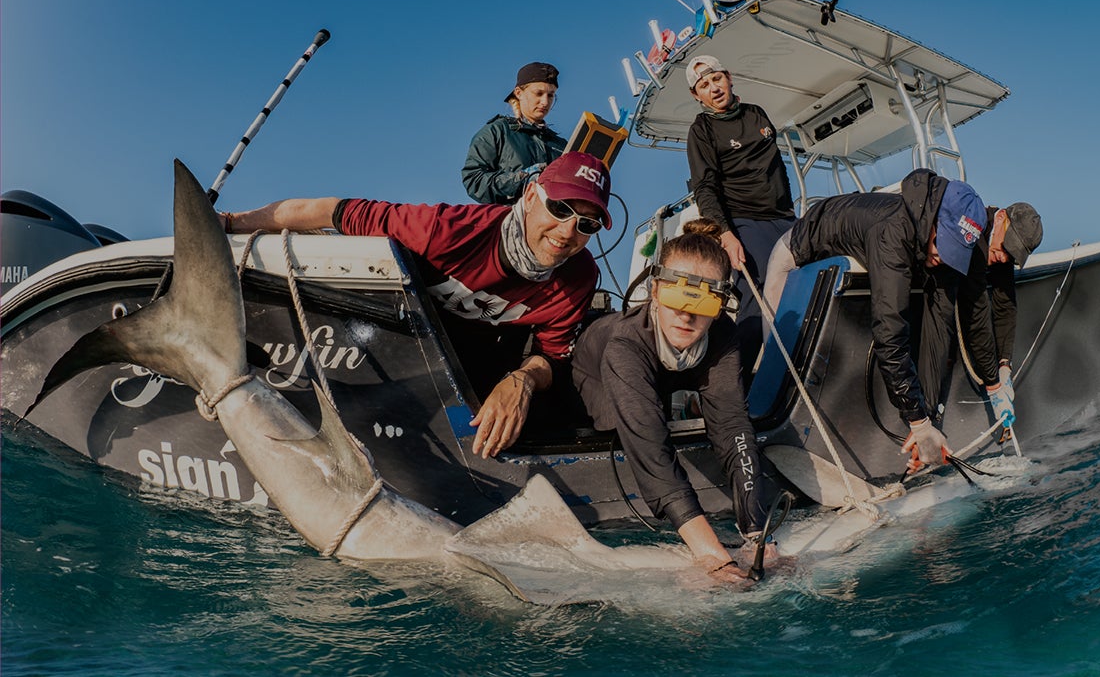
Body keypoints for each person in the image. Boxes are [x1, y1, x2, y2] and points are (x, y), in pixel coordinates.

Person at [219, 152, 611, 457]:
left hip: (486, 364)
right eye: (560, 209)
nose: (567, 231)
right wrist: (230, 222)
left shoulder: (578, 277)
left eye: (587, 224)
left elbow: (552, 354)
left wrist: (521, 380)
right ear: (530, 196)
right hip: (406, 343)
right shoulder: (443, 229)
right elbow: (329, 211)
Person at [761, 168, 1014, 473]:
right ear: (933, 221)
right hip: (796, 254)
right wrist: (917, 422)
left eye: (954, 252)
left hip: (851, 254)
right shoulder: (893, 231)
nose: (942, 257)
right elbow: (890, 334)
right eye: (942, 246)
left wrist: (928, 418)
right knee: (775, 366)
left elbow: (939, 331)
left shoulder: (942, 248)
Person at [572, 219, 777, 585]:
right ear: (655, 291)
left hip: (672, 370)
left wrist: (756, 533)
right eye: (677, 296)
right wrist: (712, 556)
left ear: (719, 305)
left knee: (714, 416)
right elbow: (650, 448)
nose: (686, 314)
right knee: (625, 426)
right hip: (596, 371)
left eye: (703, 301)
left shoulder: (722, 335)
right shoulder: (624, 346)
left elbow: (733, 428)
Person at [684, 54, 797, 373]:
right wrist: (726, 234)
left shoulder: (756, 114)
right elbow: (704, 187)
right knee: (758, 298)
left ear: (729, 77)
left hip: (784, 217)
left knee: (803, 285)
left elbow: (777, 167)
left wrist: (791, 210)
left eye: (716, 79)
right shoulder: (702, 129)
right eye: (703, 85)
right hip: (744, 221)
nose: (713, 88)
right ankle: (741, 388)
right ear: (697, 96)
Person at [918, 202, 1044, 432]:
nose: (1005, 258)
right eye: (1008, 247)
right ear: (1000, 218)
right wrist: (994, 386)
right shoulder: (974, 235)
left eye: (1013, 254)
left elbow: (1005, 305)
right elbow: (977, 319)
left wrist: (1005, 364)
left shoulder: (1000, 251)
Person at [462, 62, 567, 205]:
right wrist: (522, 178)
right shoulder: (497, 131)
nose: (545, 101)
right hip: (510, 221)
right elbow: (474, 181)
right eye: (538, 93)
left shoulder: (562, 146)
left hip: (553, 224)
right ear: (519, 93)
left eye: (550, 95)